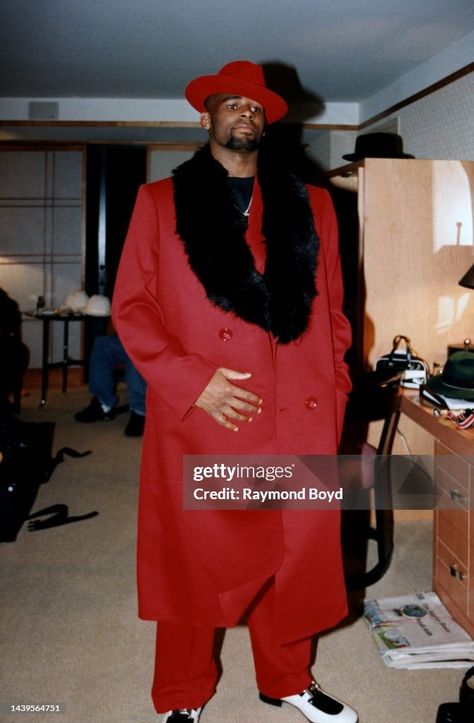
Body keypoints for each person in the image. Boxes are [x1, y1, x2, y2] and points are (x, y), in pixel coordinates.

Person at [112, 61, 357, 723]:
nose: (244, 113)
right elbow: (132, 308)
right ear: (206, 117)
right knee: (196, 562)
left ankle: (288, 679)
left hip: (298, 411)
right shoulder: (160, 203)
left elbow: (334, 313)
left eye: (256, 106)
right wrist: (196, 383)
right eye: (231, 103)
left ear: (267, 121)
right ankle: (183, 695)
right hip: (210, 412)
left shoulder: (317, 205)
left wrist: (333, 391)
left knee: (294, 555)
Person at [74, 333, 146, 437]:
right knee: (103, 344)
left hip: (162, 342)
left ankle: (140, 410)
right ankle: (103, 402)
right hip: (135, 336)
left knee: (137, 348)